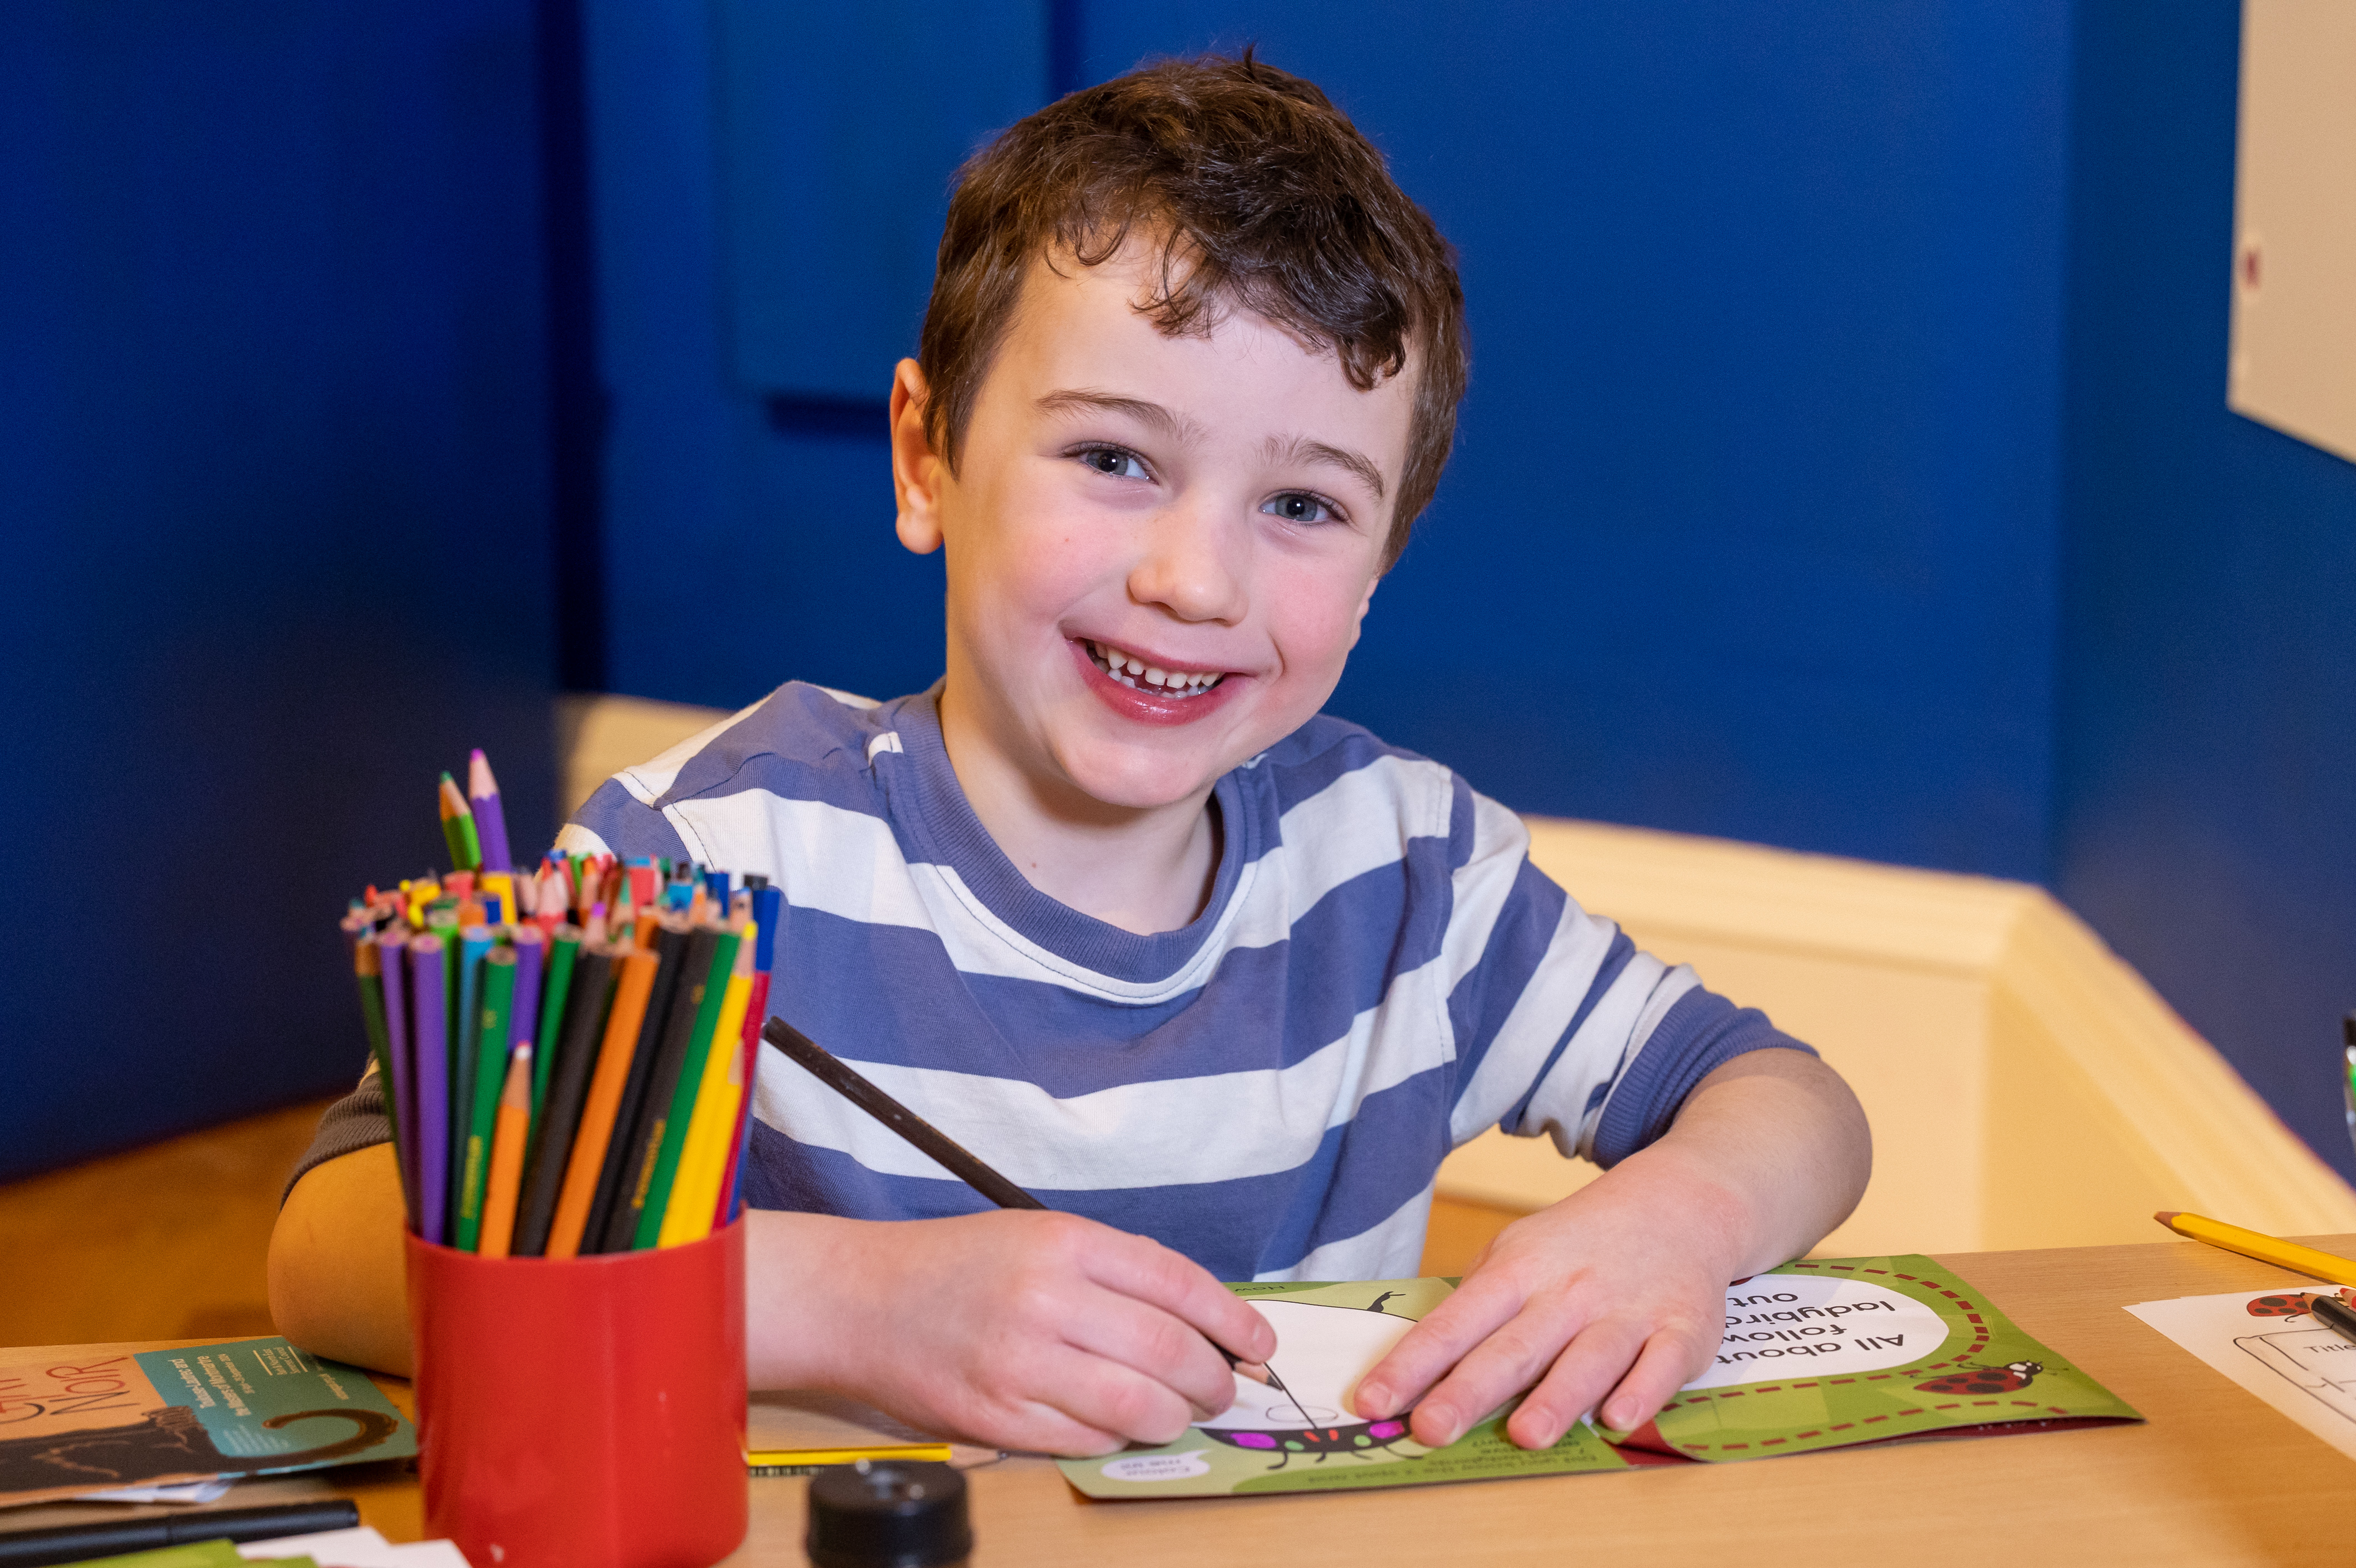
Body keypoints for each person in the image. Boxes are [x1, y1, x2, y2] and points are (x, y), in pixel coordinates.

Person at [270, 51, 1871, 1459]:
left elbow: (1784, 1097)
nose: (1195, 581)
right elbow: (331, 1246)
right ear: (926, 456)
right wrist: (843, 1305)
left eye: (1303, 506)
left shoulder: (1410, 879)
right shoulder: (712, 859)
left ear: (1382, 564)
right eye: (1113, 457)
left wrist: (1683, 1216)